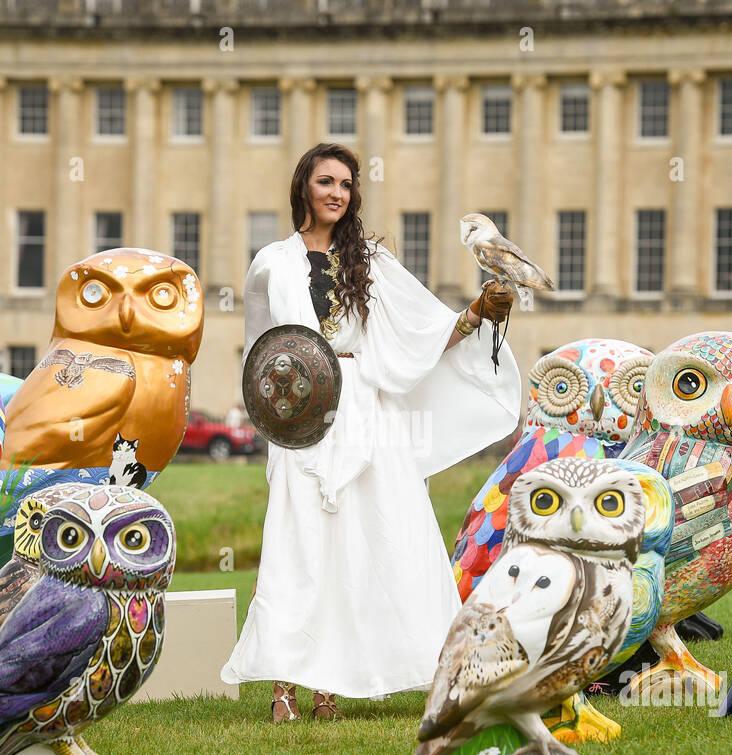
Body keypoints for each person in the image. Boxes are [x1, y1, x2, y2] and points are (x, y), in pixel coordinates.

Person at [220, 142, 522, 722]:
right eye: (326, 181)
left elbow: (420, 335)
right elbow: (261, 355)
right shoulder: (270, 264)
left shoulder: (372, 262)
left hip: (366, 406)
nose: (337, 192)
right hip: (302, 414)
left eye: (347, 184)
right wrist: (276, 417)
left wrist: (478, 312)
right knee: (299, 541)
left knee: (371, 539)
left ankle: (332, 685)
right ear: (303, 187)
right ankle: (286, 685)